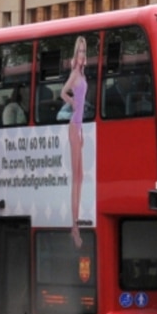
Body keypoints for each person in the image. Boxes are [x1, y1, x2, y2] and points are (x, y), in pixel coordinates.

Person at [61, 36, 88, 248]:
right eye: (79, 51)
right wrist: (72, 104)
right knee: (76, 178)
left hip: (79, 127)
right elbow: (63, 92)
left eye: (83, 51)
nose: (81, 55)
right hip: (73, 126)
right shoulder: (74, 75)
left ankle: (75, 225)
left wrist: (83, 132)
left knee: (80, 176)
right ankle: (75, 227)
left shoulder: (82, 75)